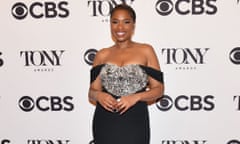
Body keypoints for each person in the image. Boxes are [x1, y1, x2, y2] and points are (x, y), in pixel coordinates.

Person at [88, 3, 164, 144]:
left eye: (126, 22)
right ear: (110, 24)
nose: (120, 27)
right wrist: (99, 95)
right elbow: (91, 92)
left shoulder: (146, 50)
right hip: (105, 121)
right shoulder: (102, 54)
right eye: (115, 22)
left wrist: (136, 97)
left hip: (134, 122)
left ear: (133, 25)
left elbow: (159, 90)